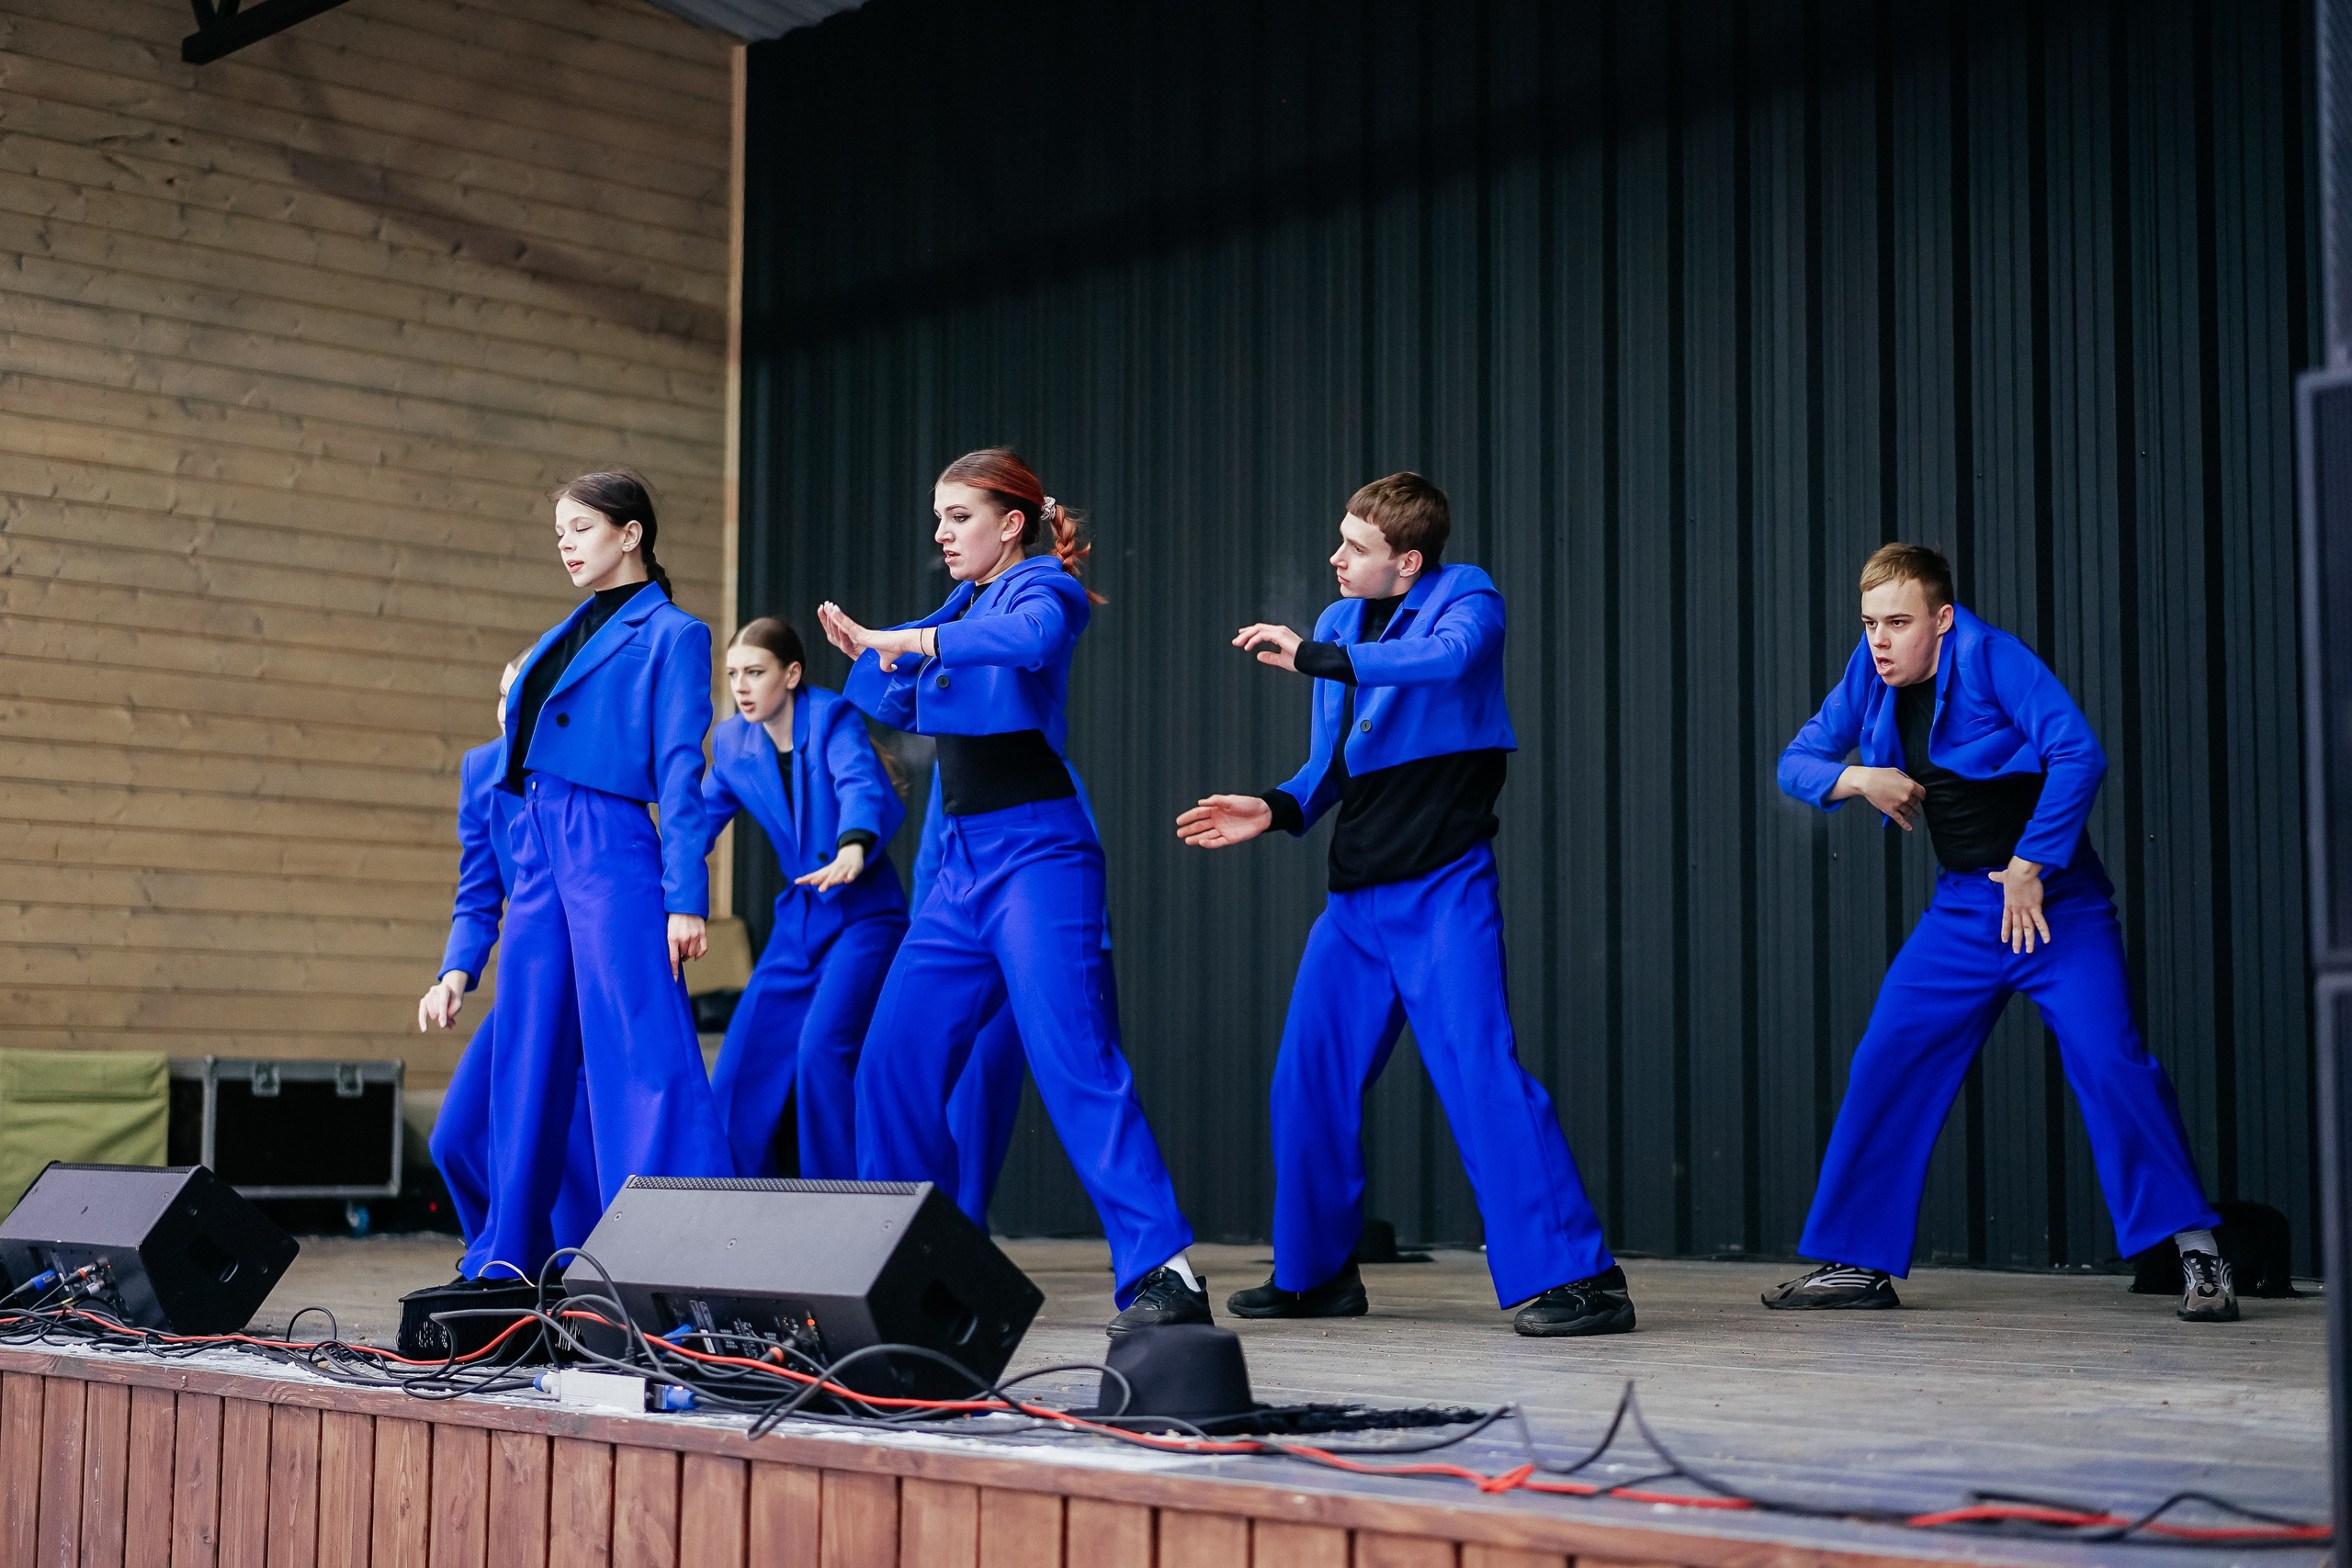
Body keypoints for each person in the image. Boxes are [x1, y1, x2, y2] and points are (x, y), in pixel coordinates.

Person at [1177, 472, 1631, 1337]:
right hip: (1355, 903)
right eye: (1340, 539)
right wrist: (1272, 807)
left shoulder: (1468, 599)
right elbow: (1330, 765)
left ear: (1409, 561)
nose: (1336, 558)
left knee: (1480, 1072)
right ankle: (1314, 1275)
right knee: (1305, 1078)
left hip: (1442, 889)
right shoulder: (1338, 623)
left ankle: (1582, 1278)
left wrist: (1316, 657)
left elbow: (1445, 661)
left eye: (1357, 547)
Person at [1770, 543, 2232, 1321]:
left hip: (2057, 906)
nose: (1880, 640)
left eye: (1898, 622)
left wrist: (2029, 863)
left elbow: (2078, 752)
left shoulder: (1994, 658)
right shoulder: (1870, 672)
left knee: (2112, 1062)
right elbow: (1797, 760)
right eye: (1870, 623)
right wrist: (1859, 777)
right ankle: (1857, 1261)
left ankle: (2198, 1252)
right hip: (1962, 913)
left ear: (1943, 619)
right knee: (1886, 1058)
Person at [817, 448, 1205, 1331]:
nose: (943, 533)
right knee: (892, 1062)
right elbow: (904, 705)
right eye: (939, 518)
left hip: (1040, 857)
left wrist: (908, 642)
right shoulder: (960, 606)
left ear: (1012, 524)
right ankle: (916, 1269)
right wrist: (872, 653)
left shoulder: (1045, 590)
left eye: (959, 516)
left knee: (1075, 1059)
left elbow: (1027, 641)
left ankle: (1166, 1270)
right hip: (961, 868)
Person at [476, 470, 733, 1276]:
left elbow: (682, 771)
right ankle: (507, 1256)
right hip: (538, 842)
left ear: (631, 534)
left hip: (610, 838)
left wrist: (685, 897)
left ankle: (675, 1254)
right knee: (527, 1046)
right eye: (559, 531)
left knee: (639, 1046)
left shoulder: (674, 633)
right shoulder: (564, 632)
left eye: (580, 527)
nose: (565, 543)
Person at [701, 617, 909, 1178]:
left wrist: (853, 846)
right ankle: (724, 1200)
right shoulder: (733, 742)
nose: (741, 687)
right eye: (733, 675)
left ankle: (838, 1202)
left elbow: (857, 780)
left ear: (791, 674)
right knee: (739, 1068)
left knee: (820, 1053)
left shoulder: (832, 716)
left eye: (755, 672)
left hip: (864, 916)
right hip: (799, 922)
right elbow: (696, 824)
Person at [417, 654, 600, 1280]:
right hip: (527, 984)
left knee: (565, 1141)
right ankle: (506, 1270)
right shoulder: (481, 770)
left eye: (519, 697)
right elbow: (477, 893)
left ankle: (564, 1276)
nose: (505, 711)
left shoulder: (588, 766)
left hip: (587, 980)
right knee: (456, 1138)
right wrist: (452, 977)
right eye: (501, 695)